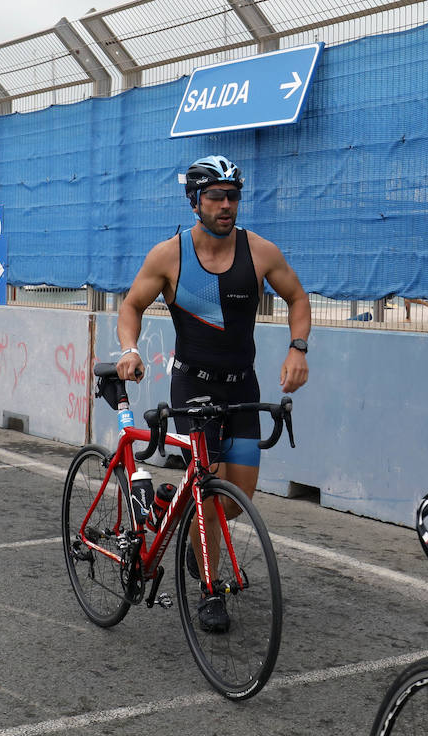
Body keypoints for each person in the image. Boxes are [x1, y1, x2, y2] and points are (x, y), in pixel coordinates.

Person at [115, 154, 311, 632]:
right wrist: (130, 349)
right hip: (192, 388)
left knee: (232, 499)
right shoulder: (169, 256)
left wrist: (298, 348)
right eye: (216, 197)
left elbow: (298, 298)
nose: (227, 205)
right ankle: (210, 590)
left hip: (242, 387)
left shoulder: (260, 251)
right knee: (207, 491)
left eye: (233, 196)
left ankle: (178, 519)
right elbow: (132, 304)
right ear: (195, 201)